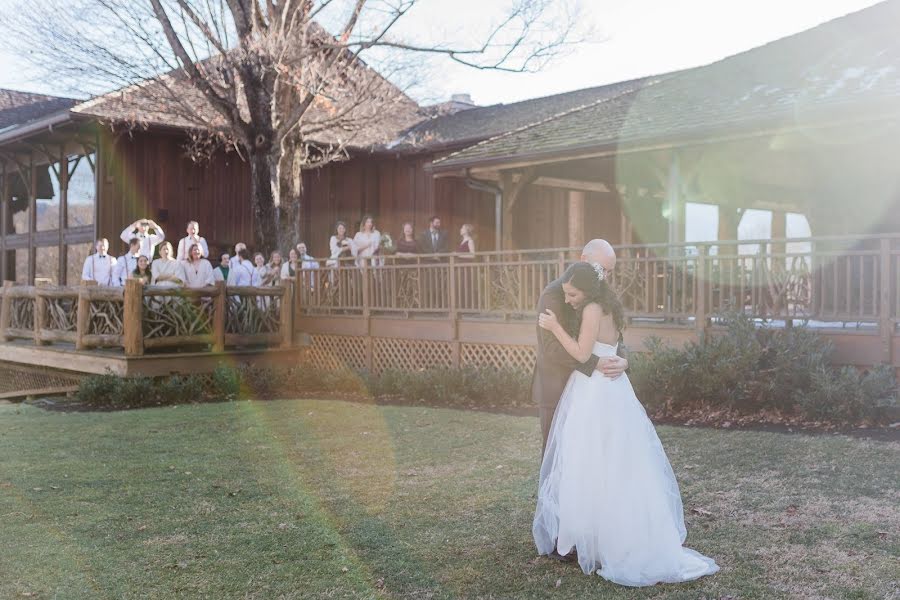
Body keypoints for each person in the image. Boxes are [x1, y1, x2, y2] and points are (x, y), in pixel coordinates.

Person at [533, 261, 719, 585]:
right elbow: (613, 348)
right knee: (610, 463)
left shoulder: (592, 309)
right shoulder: (609, 306)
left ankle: (604, 538)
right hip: (612, 389)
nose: (570, 300)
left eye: (573, 294)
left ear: (588, 291)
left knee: (596, 462)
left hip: (596, 392)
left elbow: (580, 354)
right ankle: (598, 536)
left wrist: (554, 328)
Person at [533, 239, 628, 453]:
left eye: (609, 271)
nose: (605, 276)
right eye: (602, 269)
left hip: (593, 389)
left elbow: (612, 334)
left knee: (597, 449)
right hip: (557, 385)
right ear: (584, 260)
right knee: (556, 453)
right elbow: (551, 348)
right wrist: (596, 363)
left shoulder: (598, 297)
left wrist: (622, 359)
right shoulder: (553, 295)